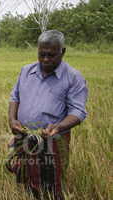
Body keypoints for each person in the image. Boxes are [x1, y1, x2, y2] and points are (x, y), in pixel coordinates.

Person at [6, 30, 88, 199]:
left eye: (51, 55)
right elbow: (15, 97)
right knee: (28, 178)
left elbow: (78, 111)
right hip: (26, 138)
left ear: (62, 52)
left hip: (53, 142)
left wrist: (58, 126)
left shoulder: (73, 77)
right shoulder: (26, 71)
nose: (45, 59)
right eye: (41, 54)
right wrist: (13, 120)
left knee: (52, 184)